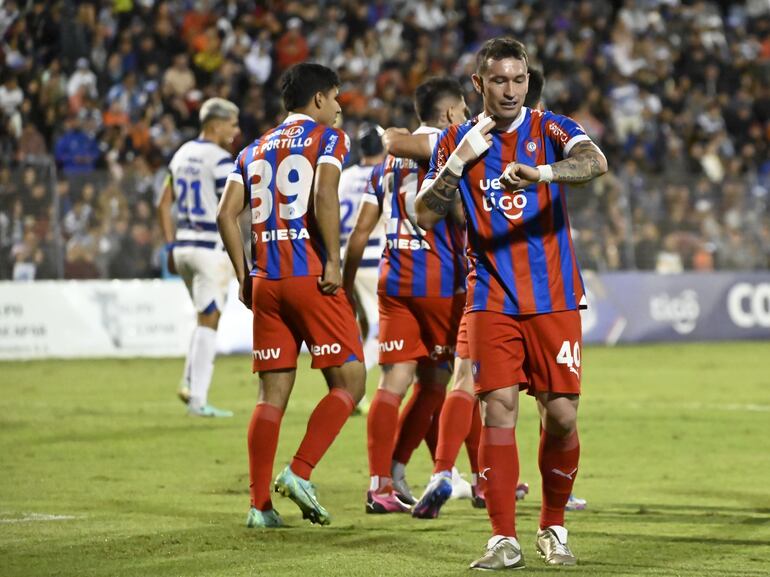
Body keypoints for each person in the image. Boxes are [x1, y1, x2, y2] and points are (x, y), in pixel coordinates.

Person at [415, 38, 608, 569]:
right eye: (498, 80)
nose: (510, 90)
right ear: (478, 84)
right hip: (490, 295)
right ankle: (503, 538)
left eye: (518, 79)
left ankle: (553, 526)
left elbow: (595, 161)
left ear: (527, 80)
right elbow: (424, 212)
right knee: (496, 408)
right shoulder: (457, 139)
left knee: (563, 417)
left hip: (553, 297)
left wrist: (543, 172)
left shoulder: (550, 128)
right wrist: (457, 161)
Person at [217, 62, 366, 529]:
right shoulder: (328, 139)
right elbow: (324, 192)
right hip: (310, 276)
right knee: (352, 383)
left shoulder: (253, 149)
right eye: (336, 97)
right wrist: (335, 262)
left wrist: (245, 275)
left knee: (270, 396)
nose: (340, 107)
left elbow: (227, 215)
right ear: (318, 99)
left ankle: (259, 506)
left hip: (266, 281)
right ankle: (300, 472)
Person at [342, 77, 468, 513]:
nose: (467, 119)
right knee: (439, 384)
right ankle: (412, 468)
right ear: (451, 114)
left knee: (392, 382)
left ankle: (380, 485)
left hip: (392, 277)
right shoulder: (460, 152)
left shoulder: (384, 168)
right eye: (465, 111)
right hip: (438, 279)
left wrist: (344, 289)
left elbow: (359, 237)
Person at [157, 97, 240, 417]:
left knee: (202, 316)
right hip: (208, 250)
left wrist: (169, 245)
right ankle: (197, 401)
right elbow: (233, 207)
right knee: (210, 320)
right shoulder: (220, 161)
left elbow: (163, 203)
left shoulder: (181, 154)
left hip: (183, 248)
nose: (235, 131)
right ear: (215, 124)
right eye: (232, 124)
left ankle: (189, 382)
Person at [338, 123, 387, 409]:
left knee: (366, 324)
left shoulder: (345, 177)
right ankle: (350, 385)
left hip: (349, 258)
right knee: (382, 329)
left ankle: (356, 392)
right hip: (375, 256)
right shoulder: (383, 174)